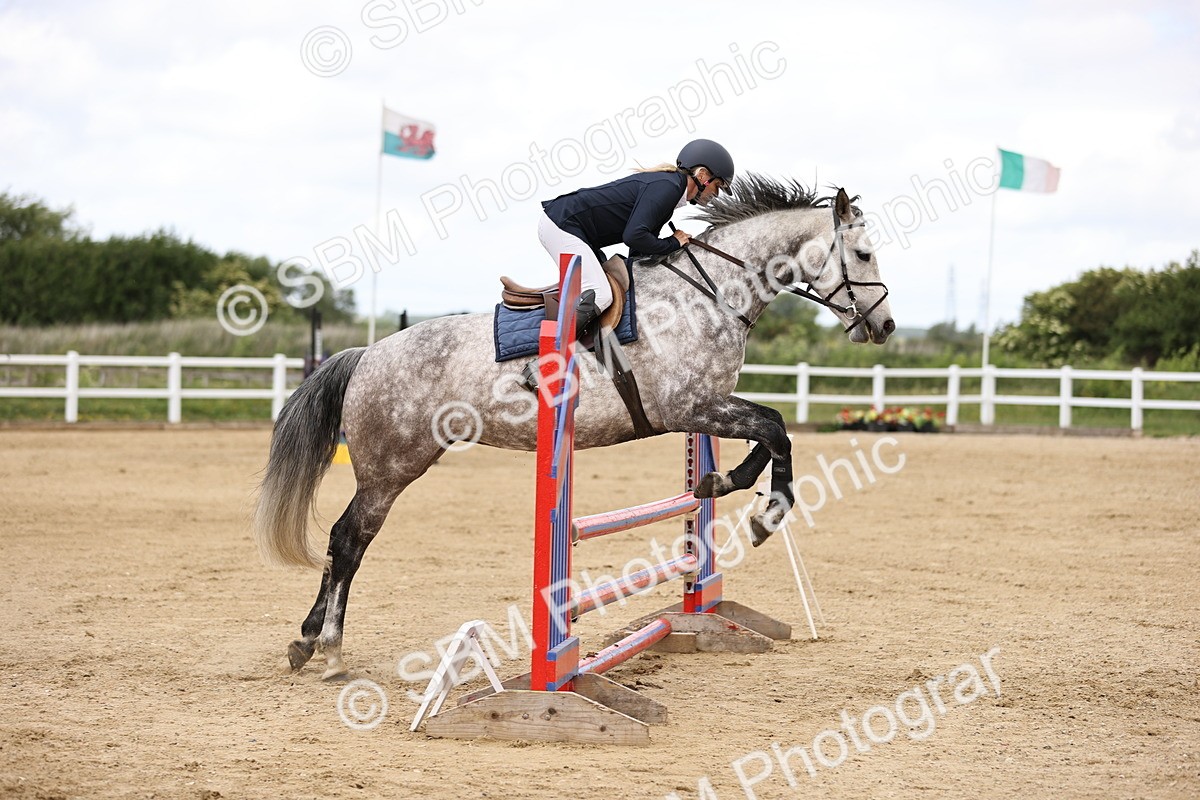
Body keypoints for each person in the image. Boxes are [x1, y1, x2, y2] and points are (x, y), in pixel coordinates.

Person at [537, 138, 736, 335]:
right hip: (562, 224)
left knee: (614, 289)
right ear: (702, 175)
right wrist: (673, 242)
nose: (716, 194)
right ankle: (546, 357)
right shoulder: (668, 187)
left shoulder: (670, 189)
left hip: (574, 230)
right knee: (601, 295)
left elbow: (638, 252)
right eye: (717, 186)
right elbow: (633, 236)